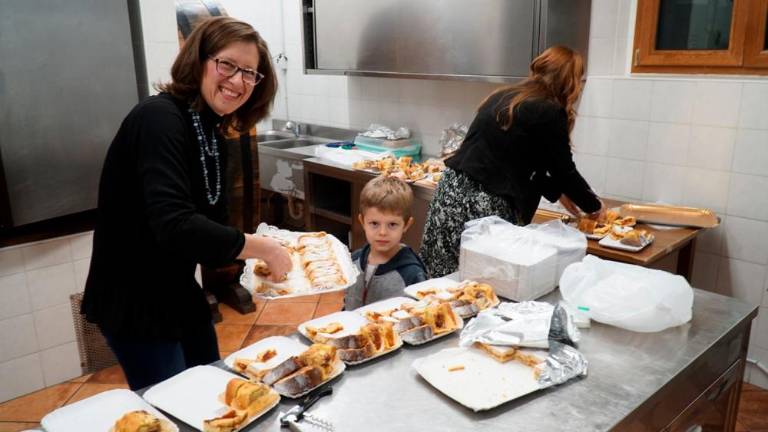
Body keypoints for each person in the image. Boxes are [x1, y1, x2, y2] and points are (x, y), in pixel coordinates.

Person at [81, 17, 292, 390]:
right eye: (227, 65)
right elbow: (175, 224)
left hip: (177, 291)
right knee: (173, 405)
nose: (238, 81)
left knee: (211, 388)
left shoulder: (210, 131)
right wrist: (263, 248)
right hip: (136, 299)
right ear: (198, 60)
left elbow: (210, 231)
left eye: (250, 73)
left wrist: (260, 257)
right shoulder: (158, 118)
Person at [420, 45, 604, 278]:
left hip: (451, 191)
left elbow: (519, 161)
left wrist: (558, 192)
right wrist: (595, 207)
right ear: (571, 81)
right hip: (484, 205)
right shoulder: (549, 110)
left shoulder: (504, 96)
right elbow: (564, 171)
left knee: (442, 279)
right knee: (484, 280)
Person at [344, 176, 428, 310]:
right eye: (374, 223)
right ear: (362, 222)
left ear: (406, 225)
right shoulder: (351, 261)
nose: (382, 232)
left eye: (392, 224)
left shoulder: (412, 274)